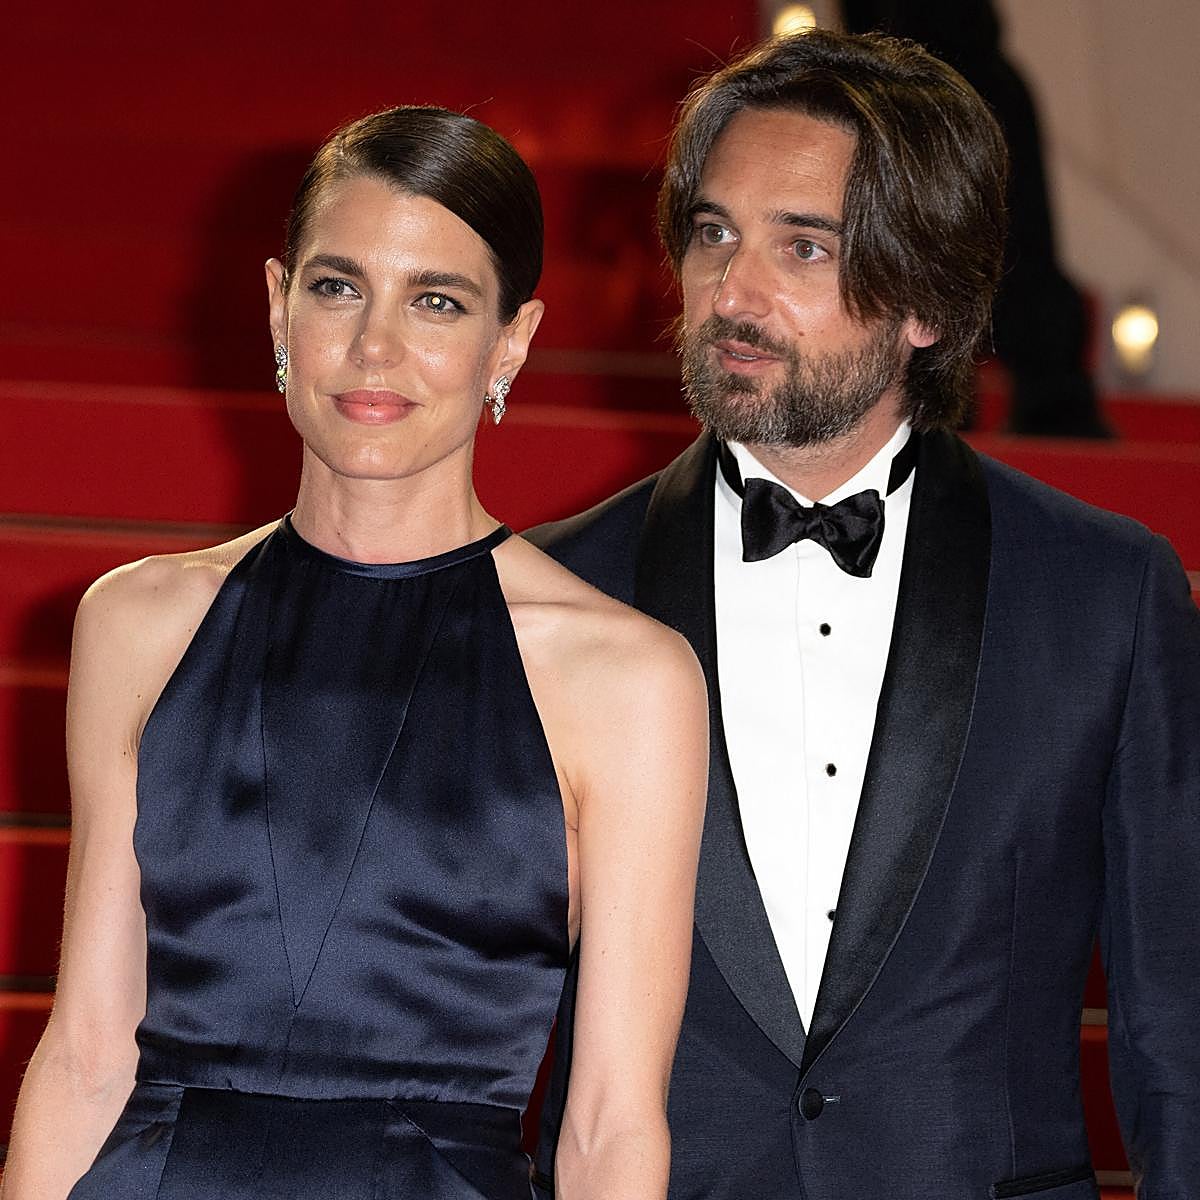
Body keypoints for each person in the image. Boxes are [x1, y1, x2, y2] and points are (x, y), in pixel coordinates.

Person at [529, 30, 1200, 1200]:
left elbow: (1179, 1026)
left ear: (928, 303)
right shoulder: (556, 593)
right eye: (713, 233)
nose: (732, 291)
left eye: (805, 246)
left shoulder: (1107, 597)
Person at [1, 106, 707, 1200]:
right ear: (278, 302)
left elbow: (612, 1124)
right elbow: (89, 1053)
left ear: (509, 343)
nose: (375, 347)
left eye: (436, 301)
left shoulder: (623, 677)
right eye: (338, 288)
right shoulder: (138, 622)